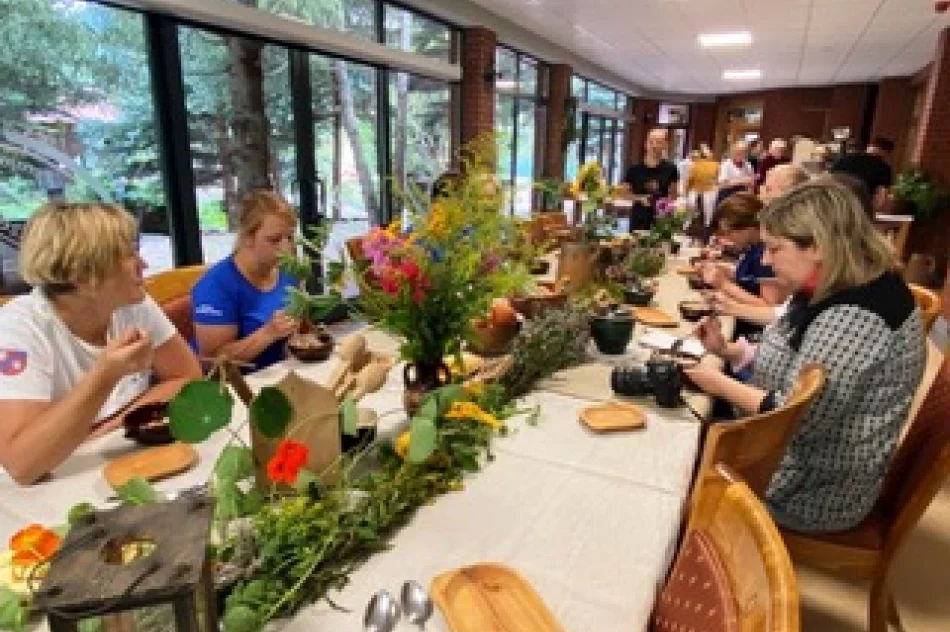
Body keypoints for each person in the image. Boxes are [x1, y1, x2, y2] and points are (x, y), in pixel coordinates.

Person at [684, 181, 926, 532]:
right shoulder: (830, 285)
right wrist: (728, 351)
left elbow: (798, 418)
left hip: (811, 490)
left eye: (774, 249)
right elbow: (792, 360)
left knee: (675, 469)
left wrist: (718, 383)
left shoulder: (855, 317)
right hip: (792, 461)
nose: (765, 260)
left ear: (818, 246)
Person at [0, 202, 202, 485]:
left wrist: (114, 424)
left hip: (119, 464)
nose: (143, 264)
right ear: (83, 276)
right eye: (128, 255)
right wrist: (104, 376)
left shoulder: (133, 302)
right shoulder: (20, 328)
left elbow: (187, 378)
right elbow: (22, 466)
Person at [192, 190, 299, 371]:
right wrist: (267, 334)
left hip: (280, 370)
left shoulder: (288, 271)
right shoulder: (216, 286)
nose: (286, 248)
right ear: (248, 238)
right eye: (274, 240)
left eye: (289, 237)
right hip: (237, 382)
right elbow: (211, 362)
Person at [623, 128, 679, 231]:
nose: (654, 145)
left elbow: (674, 195)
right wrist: (639, 198)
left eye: (659, 142)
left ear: (665, 145)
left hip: (661, 219)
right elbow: (624, 194)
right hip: (639, 218)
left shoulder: (671, 169)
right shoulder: (634, 170)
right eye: (651, 141)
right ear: (646, 144)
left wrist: (666, 203)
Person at [830, 136, 894, 212]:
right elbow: (882, 195)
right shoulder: (883, 167)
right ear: (886, 152)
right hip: (860, 207)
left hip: (836, 202)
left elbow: (828, 179)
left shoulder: (843, 159)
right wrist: (874, 211)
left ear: (869, 147)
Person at [685, 145, 720, 235]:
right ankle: (706, 230)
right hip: (709, 191)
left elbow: (690, 180)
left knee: (691, 214)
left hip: (698, 191)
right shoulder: (716, 165)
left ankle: (689, 228)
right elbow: (718, 180)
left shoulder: (695, 165)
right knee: (708, 216)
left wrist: (687, 191)